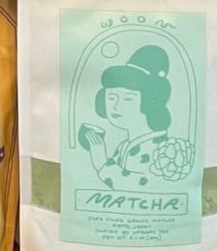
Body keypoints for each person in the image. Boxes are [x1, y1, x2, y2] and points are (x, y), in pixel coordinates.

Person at [80, 44, 188, 190]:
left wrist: (101, 162)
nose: (115, 106)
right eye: (111, 98)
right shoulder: (124, 145)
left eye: (128, 98)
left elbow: (142, 186)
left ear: (149, 101)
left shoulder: (161, 150)